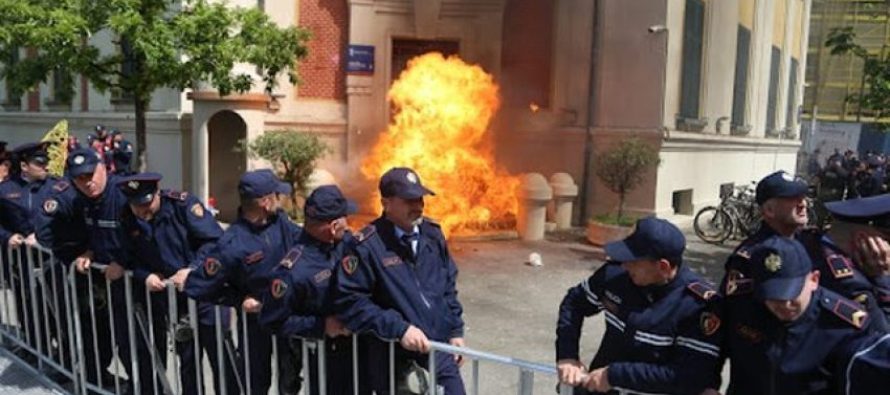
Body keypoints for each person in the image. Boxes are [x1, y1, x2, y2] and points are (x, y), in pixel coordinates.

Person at [335, 167, 467, 395]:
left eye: (419, 198)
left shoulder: (433, 235)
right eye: (408, 200)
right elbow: (351, 302)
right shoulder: (366, 245)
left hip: (437, 346)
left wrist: (455, 330)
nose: (418, 205)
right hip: (392, 353)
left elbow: (447, 286)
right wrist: (400, 329)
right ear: (386, 203)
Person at [555, 217, 722, 395]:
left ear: (663, 267)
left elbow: (690, 377)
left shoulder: (697, 306)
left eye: (634, 261)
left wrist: (615, 376)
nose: (625, 265)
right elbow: (574, 303)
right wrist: (567, 355)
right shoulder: (615, 276)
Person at [183, 169, 303, 395]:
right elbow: (197, 286)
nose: (282, 200)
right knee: (255, 382)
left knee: (290, 378)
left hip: (288, 315)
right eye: (277, 195)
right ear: (266, 202)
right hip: (256, 323)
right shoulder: (232, 243)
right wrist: (239, 300)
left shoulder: (281, 222)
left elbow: (303, 242)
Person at [117, 172, 237, 394]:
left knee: (221, 358)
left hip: (208, 295)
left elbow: (215, 241)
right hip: (176, 302)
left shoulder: (182, 206)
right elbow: (129, 256)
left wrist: (192, 269)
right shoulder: (128, 217)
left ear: (157, 194)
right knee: (188, 361)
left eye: (146, 203)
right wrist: (146, 275)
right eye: (136, 206)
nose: (142, 211)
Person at [724, 235, 890, 394]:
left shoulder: (845, 326)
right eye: (773, 296)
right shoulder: (740, 304)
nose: (784, 304)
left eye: (792, 294)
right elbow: (711, 341)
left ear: (814, 280)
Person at [724, 171, 890, 329]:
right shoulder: (750, 255)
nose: (803, 204)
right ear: (769, 210)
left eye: (803, 196)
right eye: (792, 199)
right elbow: (737, 316)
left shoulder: (811, 240)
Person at [64, 148, 153, 393]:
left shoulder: (124, 194)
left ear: (104, 168)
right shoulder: (83, 200)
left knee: (138, 343)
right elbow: (95, 234)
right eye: (79, 179)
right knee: (112, 339)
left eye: (91, 175)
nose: (87, 183)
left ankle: (149, 389)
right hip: (107, 281)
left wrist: (122, 262)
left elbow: (147, 238)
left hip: (136, 281)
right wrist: (89, 253)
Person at [260, 185, 358, 395]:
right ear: (332, 226)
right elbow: (272, 320)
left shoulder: (345, 244)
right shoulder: (292, 271)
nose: (349, 225)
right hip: (324, 359)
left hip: (359, 352)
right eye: (345, 219)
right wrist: (321, 326)